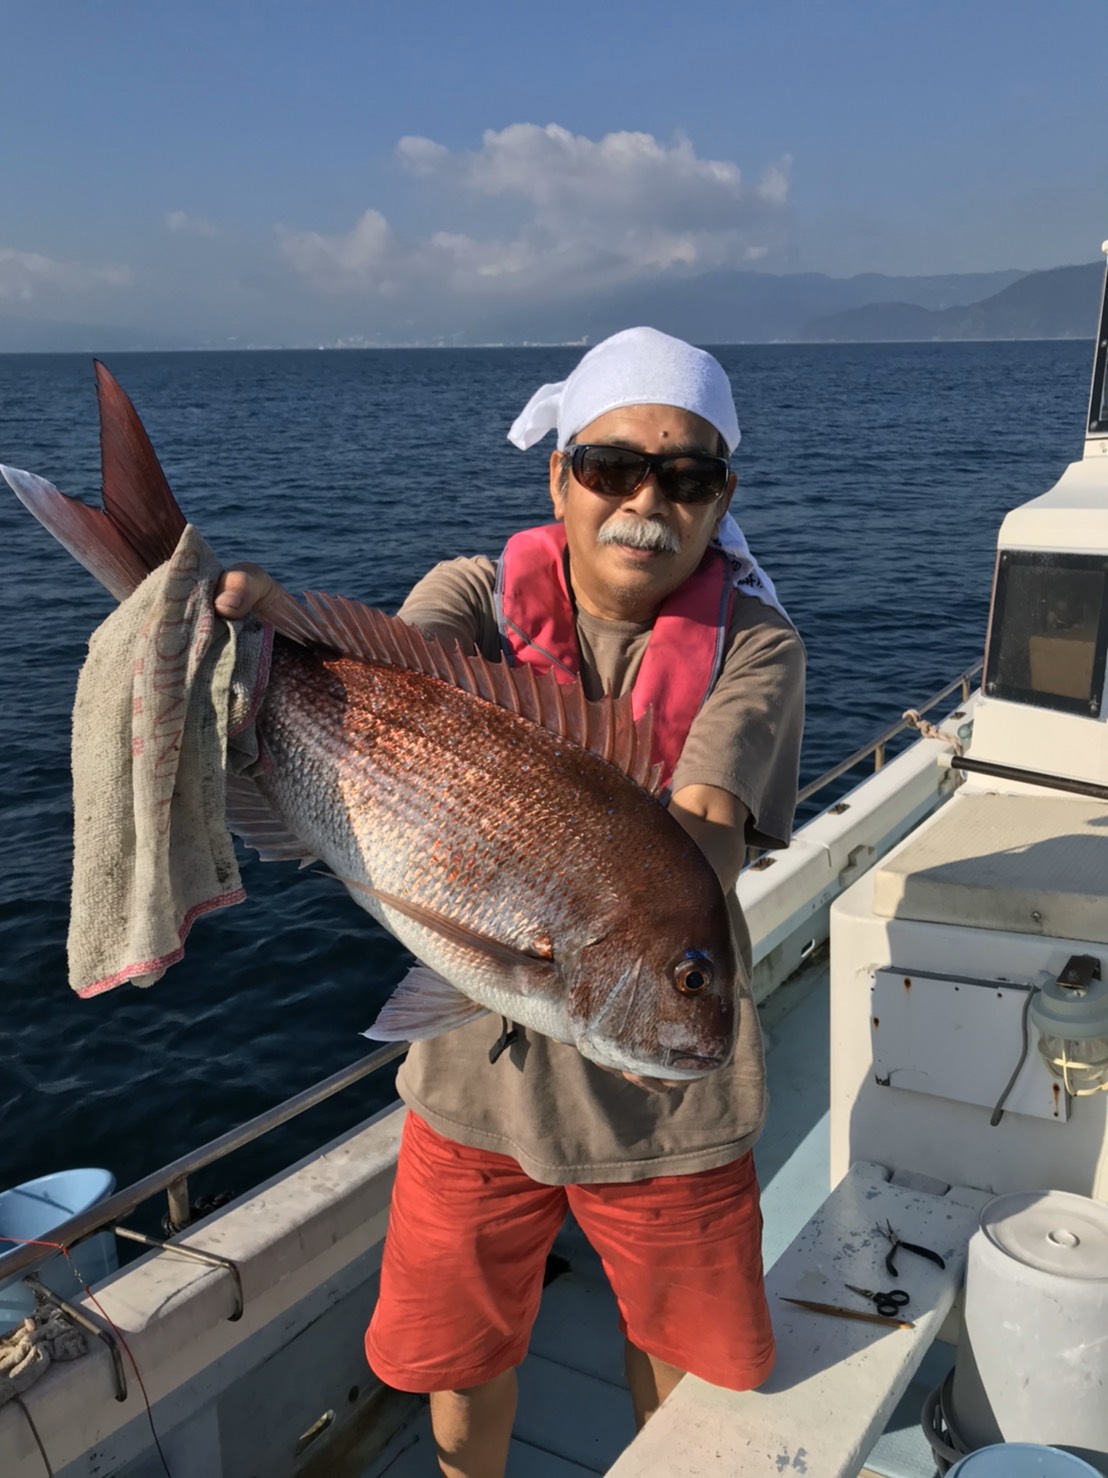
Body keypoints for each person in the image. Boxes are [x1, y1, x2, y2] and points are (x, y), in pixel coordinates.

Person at [215, 327, 805, 1478]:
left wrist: (649, 984)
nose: (647, 500)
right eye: (611, 467)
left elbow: (705, 832)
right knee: (460, 1352)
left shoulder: (758, 643)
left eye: (686, 477)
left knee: (686, 1355)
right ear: (558, 473)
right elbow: (387, 692)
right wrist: (264, 644)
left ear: (719, 495)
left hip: (668, 1112)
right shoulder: (473, 592)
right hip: (471, 1089)